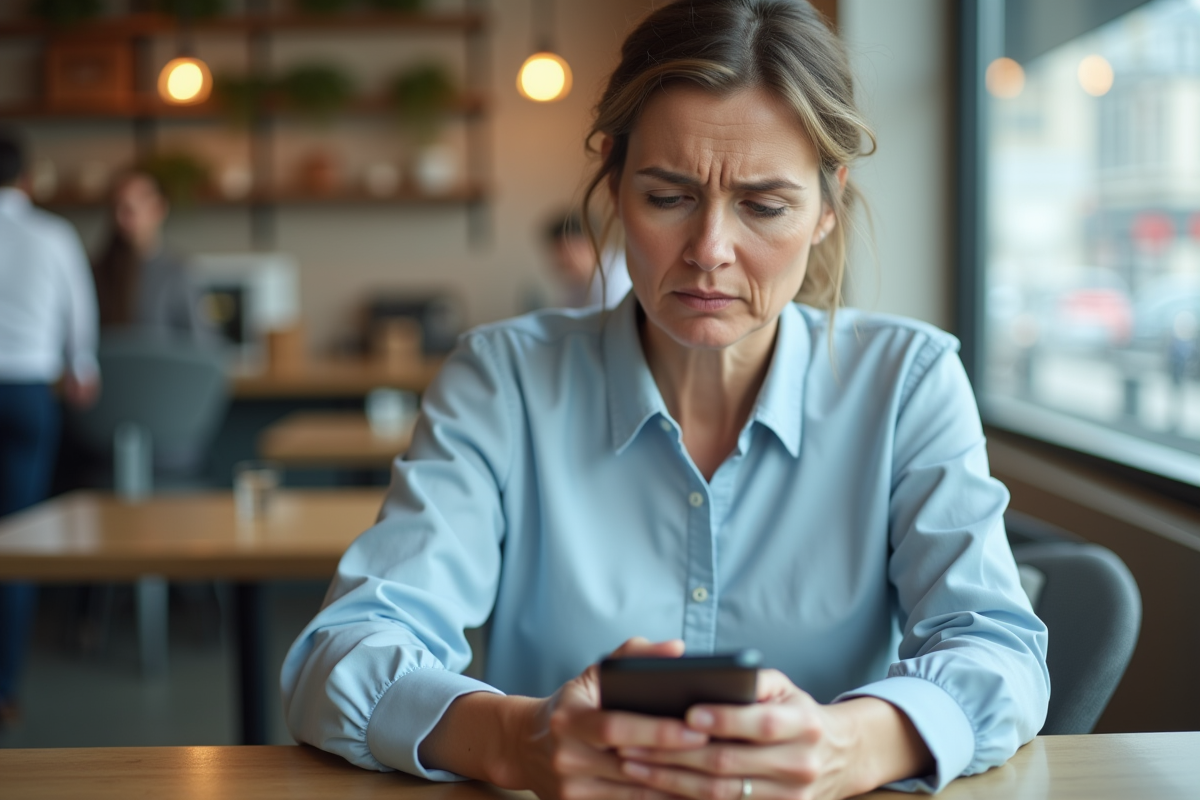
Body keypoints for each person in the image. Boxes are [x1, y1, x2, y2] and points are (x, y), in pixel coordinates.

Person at [282, 2, 1049, 798]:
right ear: (614, 182)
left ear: (828, 207)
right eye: (668, 197)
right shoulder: (501, 379)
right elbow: (340, 656)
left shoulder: (909, 383)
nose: (709, 251)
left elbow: (999, 652)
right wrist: (516, 741)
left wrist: (846, 746)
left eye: (764, 206)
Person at [0, 130, 99, 725]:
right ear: (28, 179)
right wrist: (81, 367)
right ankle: (4, 689)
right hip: (28, 393)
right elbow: (78, 316)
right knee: (14, 541)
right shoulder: (54, 234)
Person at [91, 169, 212, 342]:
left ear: (159, 209)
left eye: (130, 210)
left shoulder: (180, 273)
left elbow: (202, 342)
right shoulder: (98, 271)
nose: (121, 218)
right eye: (117, 208)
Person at [543, 210, 633, 309]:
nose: (562, 261)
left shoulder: (617, 278)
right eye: (558, 253)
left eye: (566, 251)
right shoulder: (578, 284)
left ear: (591, 243)